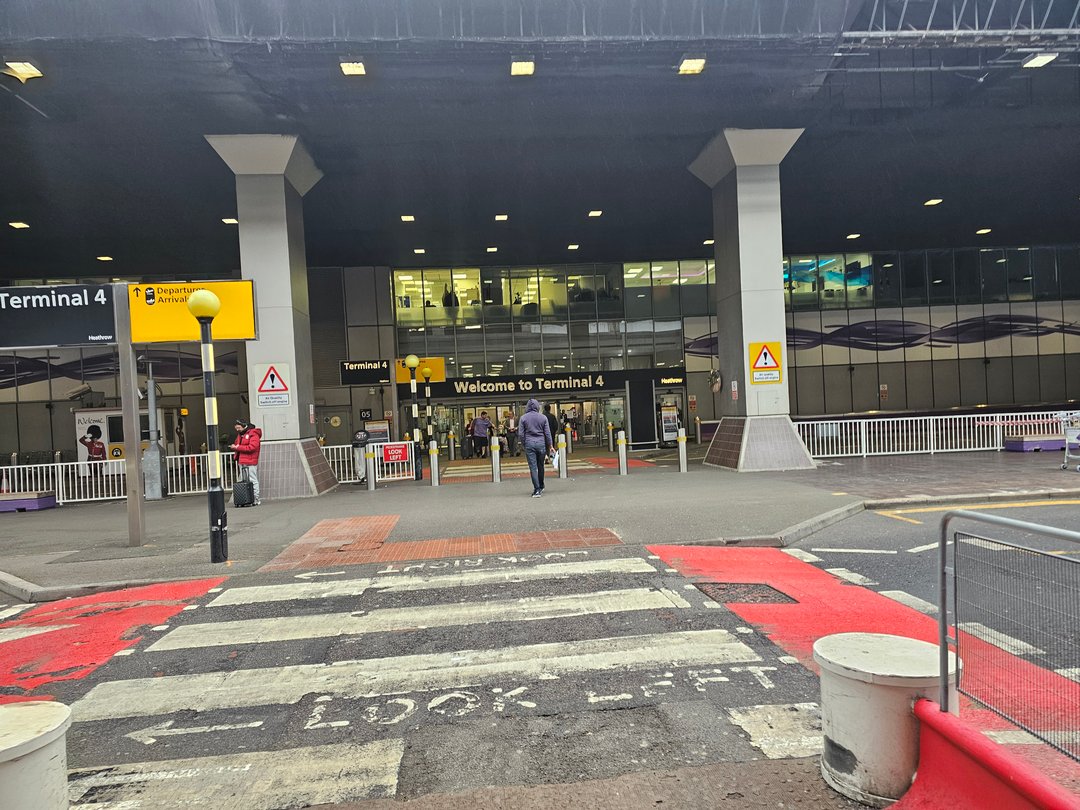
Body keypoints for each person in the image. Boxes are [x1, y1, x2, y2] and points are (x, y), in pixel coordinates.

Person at [518, 398, 554, 497]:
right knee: (541, 465)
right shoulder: (543, 418)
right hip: (541, 444)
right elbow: (547, 433)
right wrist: (550, 445)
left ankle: (537, 489)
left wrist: (524, 443)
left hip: (529, 443)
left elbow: (521, 434)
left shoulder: (523, 418)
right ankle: (541, 485)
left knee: (533, 467)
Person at [230, 418, 263, 505]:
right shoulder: (241, 435)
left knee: (252, 479)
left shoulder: (253, 434)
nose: (237, 430)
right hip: (242, 460)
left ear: (244, 426)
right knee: (244, 480)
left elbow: (252, 447)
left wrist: (237, 447)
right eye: (236, 428)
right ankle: (246, 499)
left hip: (250, 461)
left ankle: (255, 498)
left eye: (239, 428)